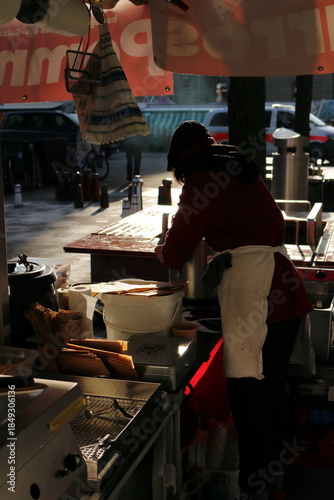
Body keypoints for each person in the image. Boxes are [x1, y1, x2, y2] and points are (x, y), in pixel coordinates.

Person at [154, 121, 313, 500]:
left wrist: (162, 249)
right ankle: (275, 484)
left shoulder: (201, 179)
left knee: (248, 396)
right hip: (283, 290)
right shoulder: (233, 164)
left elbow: (176, 251)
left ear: (180, 161)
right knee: (272, 391)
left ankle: (251, 489)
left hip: (255, 293)